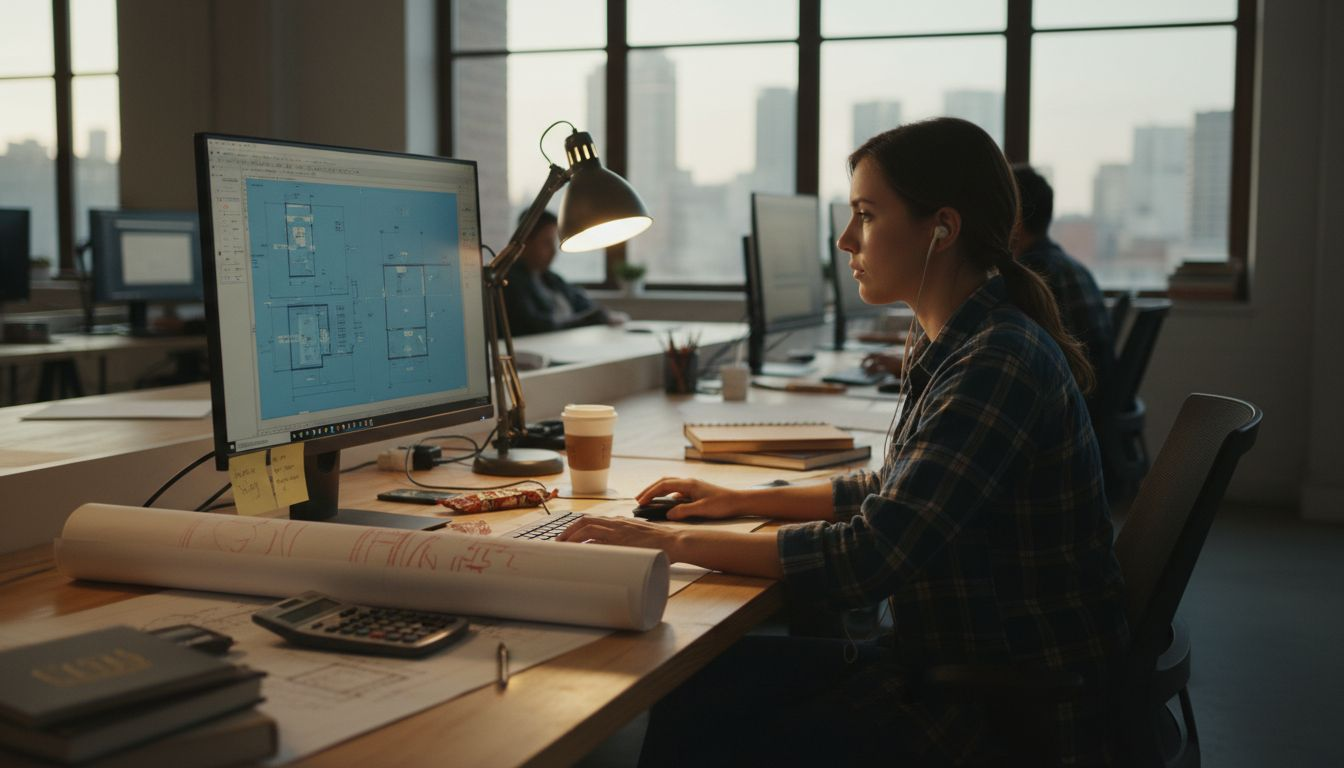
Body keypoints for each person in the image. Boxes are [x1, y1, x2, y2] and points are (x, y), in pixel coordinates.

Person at [559, 118, 1129, 765]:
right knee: (702, 684)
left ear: (941, 228)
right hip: (959, 664)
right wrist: (738, 499)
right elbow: (892, 491)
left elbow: (868, 556)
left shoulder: (994, 362)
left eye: (866, 214)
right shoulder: (970, 341)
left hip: (996, 711)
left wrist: (668, 541)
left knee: (700, 702)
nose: (845, 239)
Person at [1012, 163, 1115, 421]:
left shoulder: (1034, 274)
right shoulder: (1068, 265)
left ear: (1015, 218)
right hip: (1096, 404)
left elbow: (1021, 365)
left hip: (1071, 410)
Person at [501, 209, 627, 336]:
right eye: (546, 243)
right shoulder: (509, 282)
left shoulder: (551, 278)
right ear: (525, 243)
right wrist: (589, 319)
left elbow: (582, 303)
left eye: (553, 243)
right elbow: (534, 325)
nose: (553, 251)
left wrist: (602, 315)